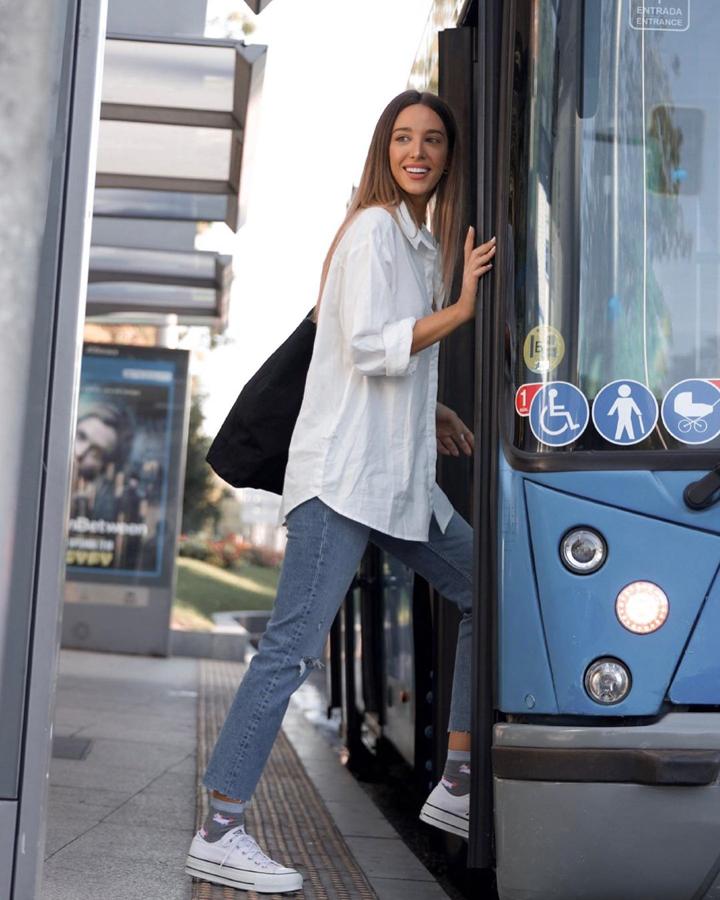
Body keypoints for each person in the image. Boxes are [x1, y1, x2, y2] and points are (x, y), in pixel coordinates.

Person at [185, 89, 496, 894]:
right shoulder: (368, 233)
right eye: (402, 138)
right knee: (289, 649)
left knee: (486, 590)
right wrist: (461, 311)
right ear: (383, 150)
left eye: (432, 139)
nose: (417, 151)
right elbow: (366, 346)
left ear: (448, 155)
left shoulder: (418, 247)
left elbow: (389, 362)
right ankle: (219, 825)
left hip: (393, 483)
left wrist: (436, 410)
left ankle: (458, 781)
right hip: (342, 482)